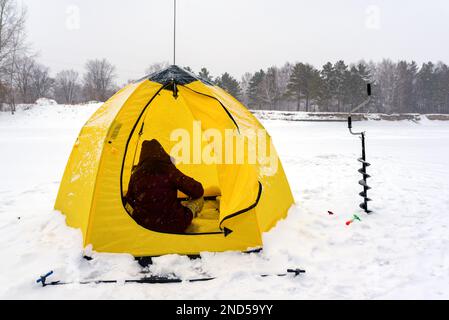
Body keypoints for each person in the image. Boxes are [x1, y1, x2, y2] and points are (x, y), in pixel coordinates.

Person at [125, 139, 204, 233]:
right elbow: (197, 190)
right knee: (199, 198)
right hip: (173, 224)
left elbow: (129, 200)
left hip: (144, 226)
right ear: (162, 151)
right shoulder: (167, 169)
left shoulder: (136, 175)